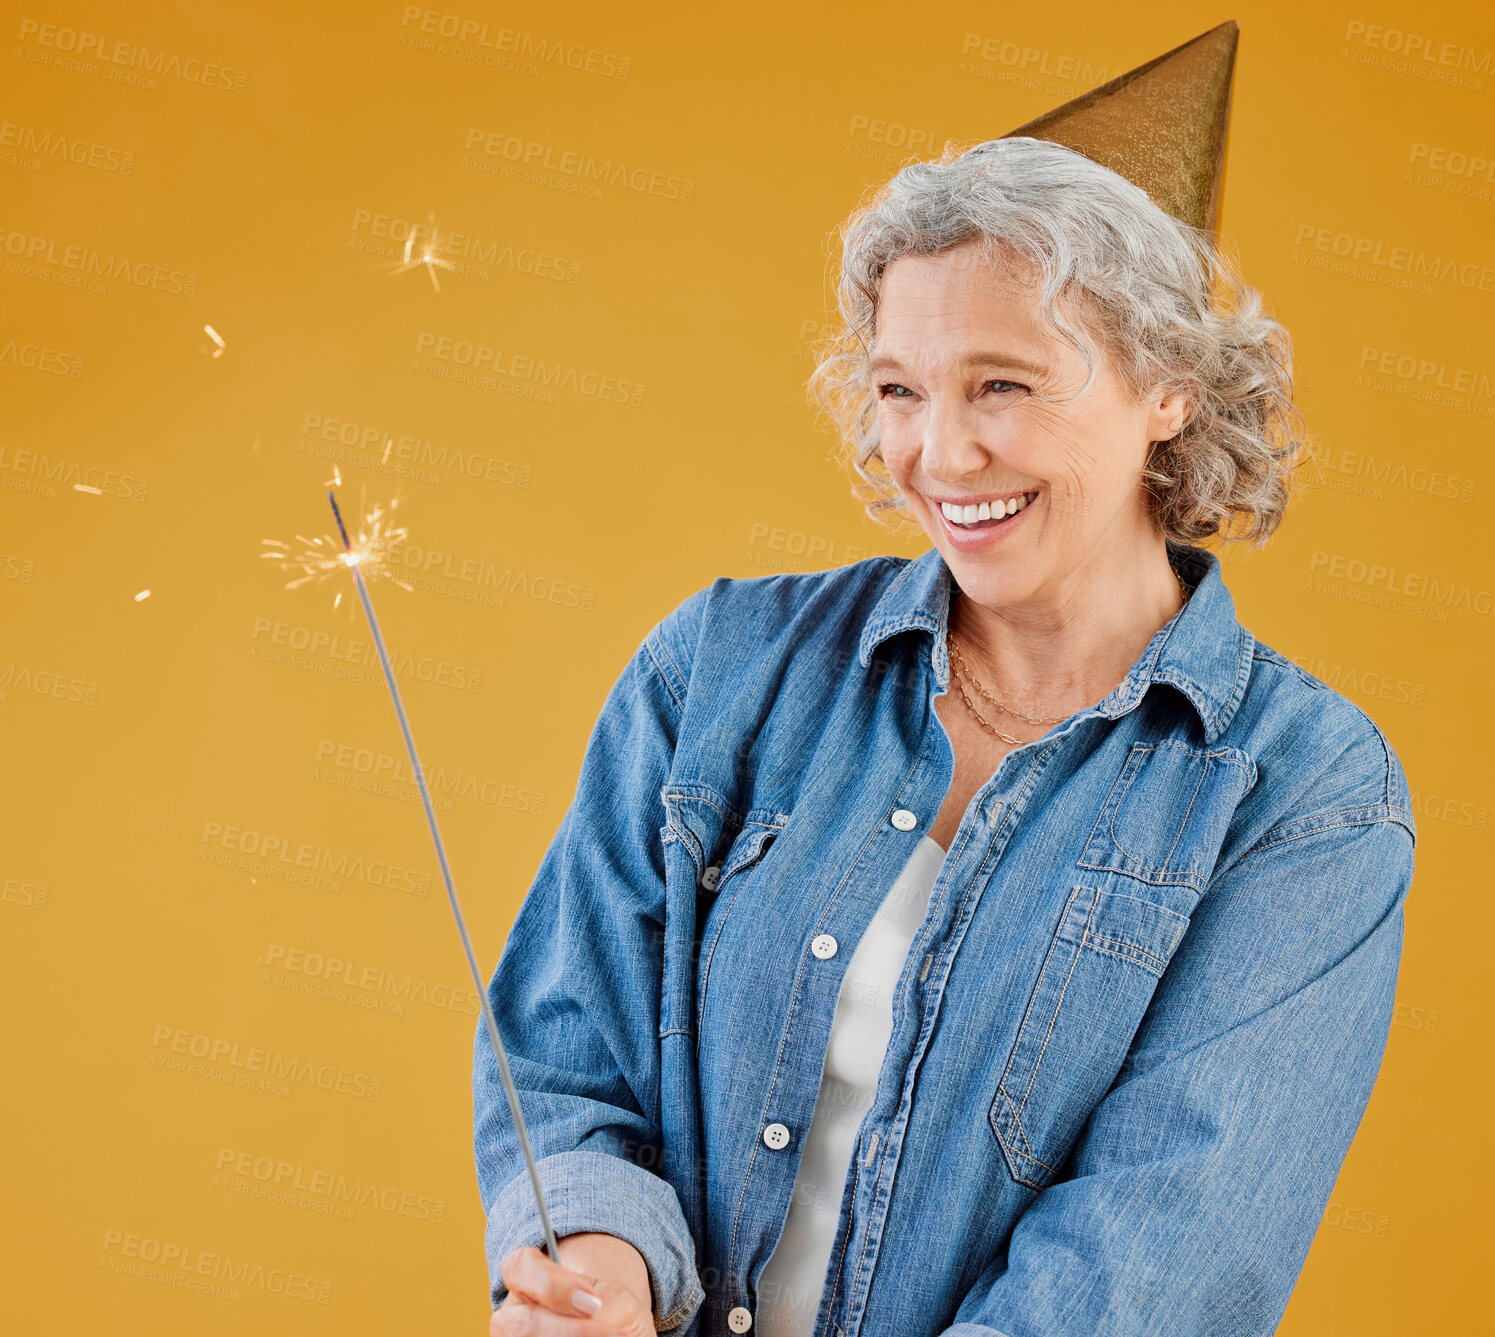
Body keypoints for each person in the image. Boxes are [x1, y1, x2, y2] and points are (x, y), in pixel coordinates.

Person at [475, 31, 1416, 1337]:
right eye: (901, 388)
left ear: (1168, 390)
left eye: (1004, 385)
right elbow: (564, 1044)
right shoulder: (724, 668)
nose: (940, 450)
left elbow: (1156, 1260)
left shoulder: (1303, 794)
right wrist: (598, 1261)